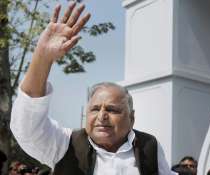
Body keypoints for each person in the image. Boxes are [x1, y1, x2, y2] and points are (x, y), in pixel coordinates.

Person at [10, 2, 175, 175]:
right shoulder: (65, 144)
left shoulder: (149, 148)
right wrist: (42, 57)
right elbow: (28, 125)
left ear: (132, 118)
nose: (102, 116)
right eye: (95, 109)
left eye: (112, 110)